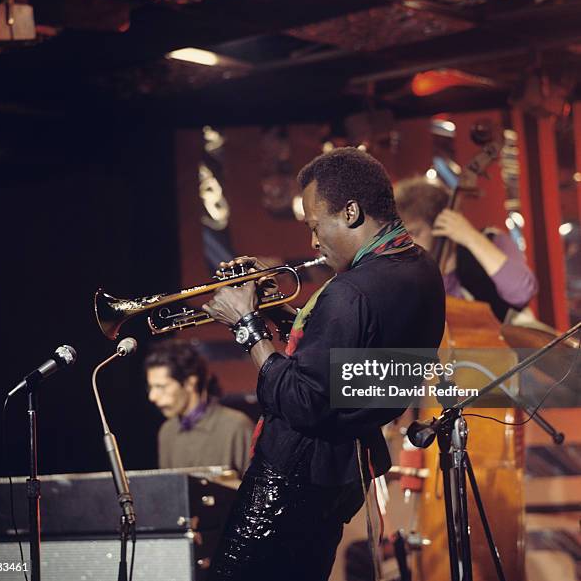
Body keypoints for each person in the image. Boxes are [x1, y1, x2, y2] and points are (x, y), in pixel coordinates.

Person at [202, 147, 445, 581]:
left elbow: (302, 401)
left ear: (351, 212)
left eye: (316, 226)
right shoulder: (421, 270)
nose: (313, 243)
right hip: (342, 474)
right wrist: (279, 315)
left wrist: (247, 326)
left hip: (290, 481)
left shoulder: (349, 291)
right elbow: (351, 366)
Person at [394, 177, 538, 321]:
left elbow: (522, 292)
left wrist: (470, 237)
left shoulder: (490, 239)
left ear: (441, 226)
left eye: (414, 233)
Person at [145, 339, 254, 475]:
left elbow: (257, 491)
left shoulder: (237, 426)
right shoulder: (167, 431)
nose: (152, 396)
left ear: (190, 382)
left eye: (161, 387)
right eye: (151, 387)